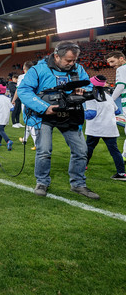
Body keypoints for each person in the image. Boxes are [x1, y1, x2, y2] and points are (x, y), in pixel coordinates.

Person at [17, 41, 99, 199]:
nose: (72, 63)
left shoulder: (78, 68)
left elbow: (88, 85)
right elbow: (24, 91)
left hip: (71, 114)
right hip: (44, 115)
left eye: (74, 60)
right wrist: (43, 107)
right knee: (44, 151)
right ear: (56, 56)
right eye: (68, 60)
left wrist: (84, 89)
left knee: (81, 151)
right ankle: (42, 182)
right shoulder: (38, 69)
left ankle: (78, 184)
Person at [84, 75, 126, 181]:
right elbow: (117, 111)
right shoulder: (108, 96)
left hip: (95, 128)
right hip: (110, 128)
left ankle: (83, 166)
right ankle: (121, 173)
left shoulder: (90, 96)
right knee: (115, 151)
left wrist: (79, 114)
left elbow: (91, 114)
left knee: (88, 148)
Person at [106, 50, 126, 160]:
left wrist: (110, 100)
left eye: (112, 61)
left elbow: (120, 86)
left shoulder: (121, 69)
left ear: (121, 59)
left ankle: (124, 156)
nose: (111, 65)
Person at [13, 61, 37, 150]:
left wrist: (13, 99)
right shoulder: (36, 76)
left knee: (30, 122)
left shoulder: (22, 77)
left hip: (26, 102)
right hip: (36, 102)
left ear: (24, 68)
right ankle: (24, 139)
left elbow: (18, 90)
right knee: (29, 122)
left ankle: (36, 144)